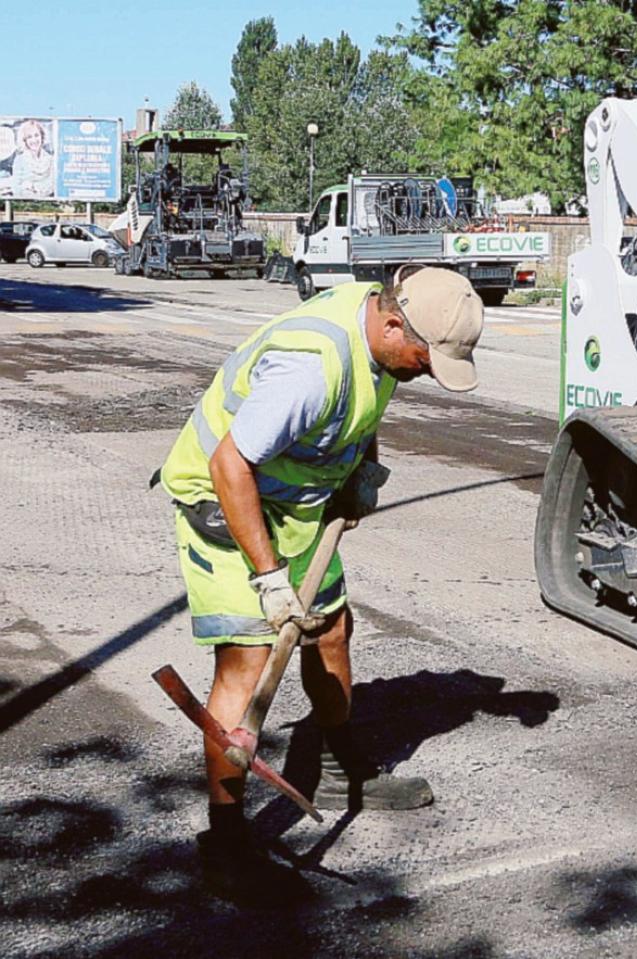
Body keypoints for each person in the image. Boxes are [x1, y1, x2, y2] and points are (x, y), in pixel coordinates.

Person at [158, 266, 483, 896]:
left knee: (332, 630)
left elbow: (367, 399)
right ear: (393, 322)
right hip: (224, 502)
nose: (424, 369)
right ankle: (224, 841)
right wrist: (270, 578)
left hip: (299, 502)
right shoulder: (308, 368)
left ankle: (340, 771)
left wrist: (364, 469)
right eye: (424, 356)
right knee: (247, 663)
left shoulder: (384, 342)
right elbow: (230, 464)